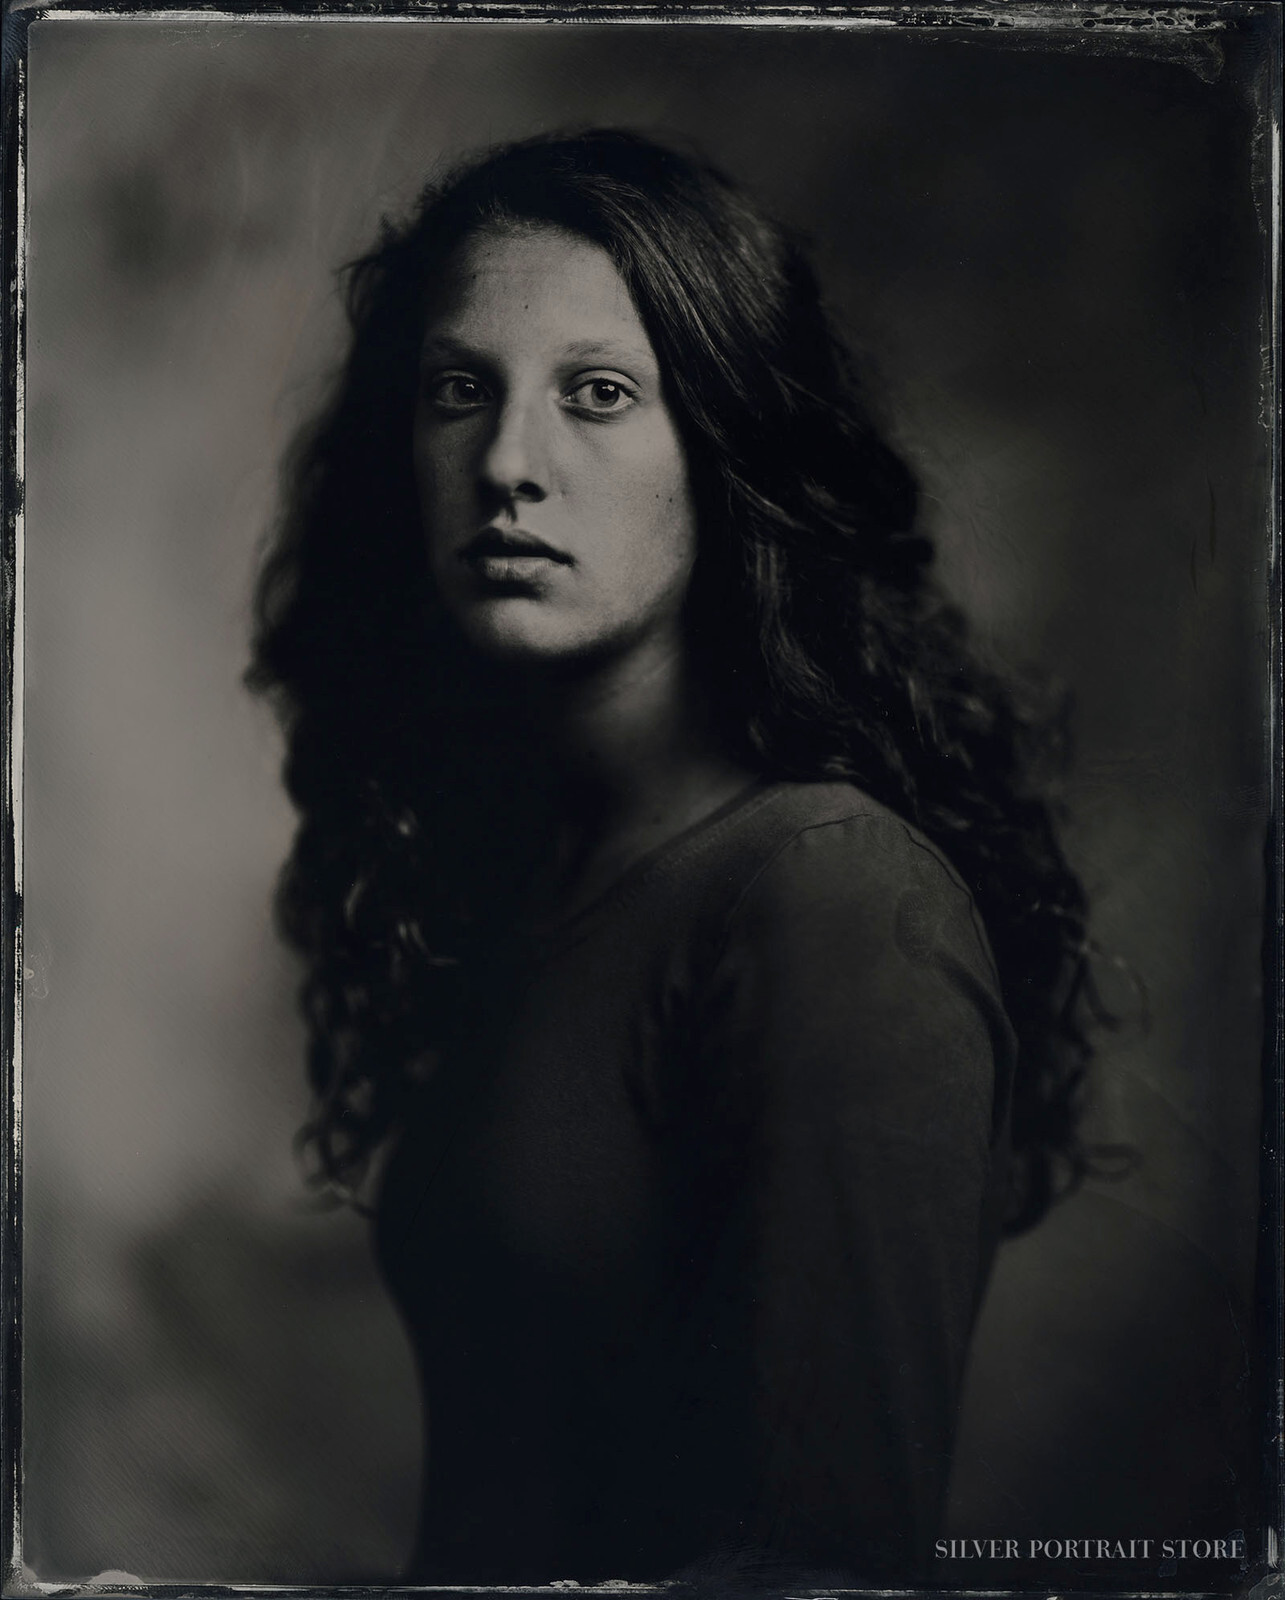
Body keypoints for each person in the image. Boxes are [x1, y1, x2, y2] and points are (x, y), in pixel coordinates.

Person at [248, 128, 1096, 1590]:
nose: (508, 464)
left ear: (724, 449)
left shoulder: (828, 896)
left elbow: (813, 1573)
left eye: (598, 395)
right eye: (460, 392)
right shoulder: (530, 880)